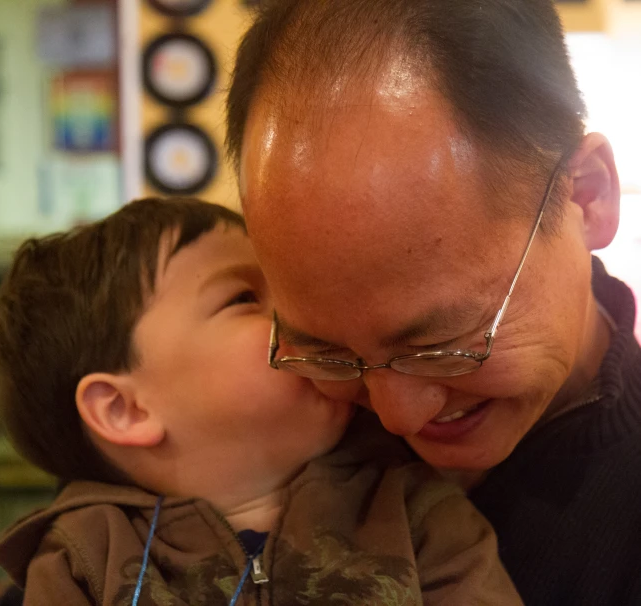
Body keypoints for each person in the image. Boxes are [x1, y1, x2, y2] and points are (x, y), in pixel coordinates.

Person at [226, 1, 641, 605]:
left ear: (589, 195)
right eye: (327, 353)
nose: (398, 417)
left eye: (439, 347)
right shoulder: (273, 427)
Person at [0, 198, 522, 605]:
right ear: (125, 410)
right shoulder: (80, 559)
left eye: (290, 289)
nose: (306, 313)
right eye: (244, 298)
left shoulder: (416, 509)